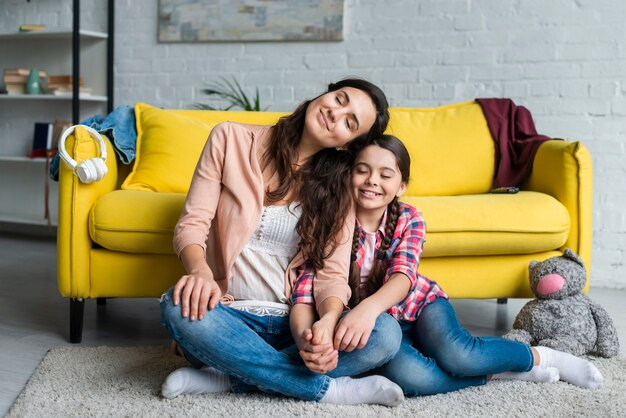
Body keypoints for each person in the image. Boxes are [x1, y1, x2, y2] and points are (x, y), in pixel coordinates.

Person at [290, 134, 604, 396]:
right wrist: (310, 338)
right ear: (348, 175)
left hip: (417, 306)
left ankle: (541, 356)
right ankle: (499, 373)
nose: (372, 181)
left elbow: (404, 275)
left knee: (459, 355)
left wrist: (367, 309)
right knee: (413, 378)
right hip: (379, 328)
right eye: (362, 170)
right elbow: (307, 287)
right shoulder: (330, 220)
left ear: (401, 186)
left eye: (386, 175)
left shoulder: (409, 218)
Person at [159, 78, 406, 407]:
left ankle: (226, 377)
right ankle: (328, 390)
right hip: (230, 319)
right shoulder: (229, 138)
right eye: (339, 99)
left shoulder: (339, 186)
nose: (336, 114)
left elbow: (331, 275)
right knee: (175, 306)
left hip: (297, 325)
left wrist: (330, 320)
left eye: (350, 122)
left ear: (348, 144)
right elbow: (192, 223)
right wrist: (200, 272)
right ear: (324, 93)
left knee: (386, 334)